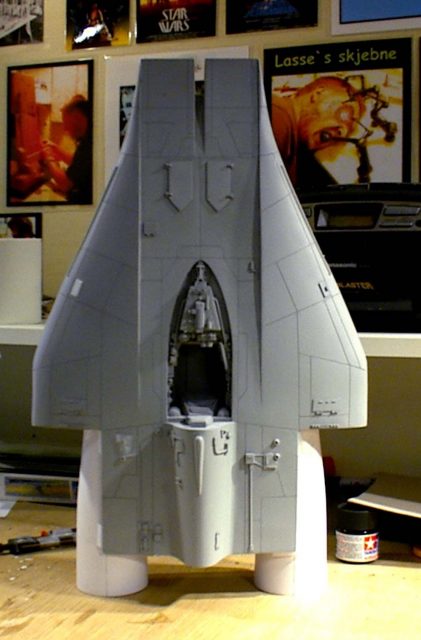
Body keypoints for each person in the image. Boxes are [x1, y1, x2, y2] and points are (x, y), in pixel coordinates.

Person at [271, 76, 365, 188]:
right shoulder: (278, 116)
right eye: (345, 114)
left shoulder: (291, 142)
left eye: (349, 131)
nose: (343, 132)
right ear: (318, 94)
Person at [41, 94, 93, 204]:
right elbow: (78, 163)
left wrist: (49, 159)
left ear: (76, 118)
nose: (65, 128)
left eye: (65, 122)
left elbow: (66, 184)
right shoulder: (88, 137)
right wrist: (55, 148)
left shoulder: (89, 143)